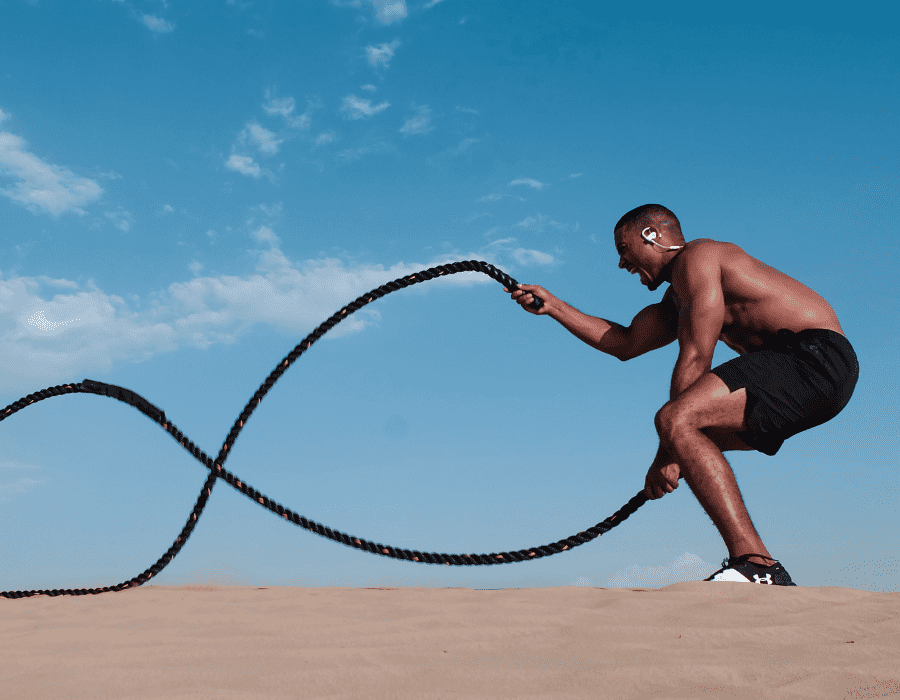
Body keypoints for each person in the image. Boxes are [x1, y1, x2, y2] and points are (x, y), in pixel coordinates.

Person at [504, 203, 858, 586]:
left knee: (677, 420)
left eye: (623, 249)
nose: (621, 264)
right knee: (690, 434)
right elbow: (625, 342)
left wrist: (667, 449)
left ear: (650, 236)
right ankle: (761, 566)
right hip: (817, 381)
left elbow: (695, 357)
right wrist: (553, 306)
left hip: (814, 358)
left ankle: (755, 564)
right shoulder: (678, 297)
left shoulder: (699, 258)